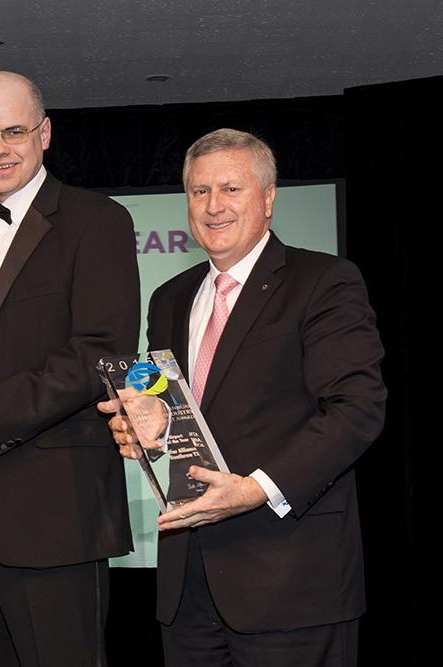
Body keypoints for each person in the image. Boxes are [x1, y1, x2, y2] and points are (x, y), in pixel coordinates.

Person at [104, 128, 386, 665]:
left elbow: (357, 410)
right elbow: (180, 414)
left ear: (268, 198)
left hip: (291, 581)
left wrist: (258, 488)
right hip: (187, 589)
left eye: (231, 189)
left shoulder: (324, 280)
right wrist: (148, 426)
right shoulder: (169, 298)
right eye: (200, 191)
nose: (213, 206)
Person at [0, 71, 141, 666]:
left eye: (13, 131)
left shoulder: (97, 219)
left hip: (53, 511)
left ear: (45, 133)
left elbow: (100, 352)